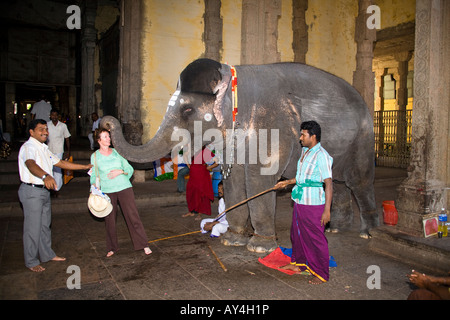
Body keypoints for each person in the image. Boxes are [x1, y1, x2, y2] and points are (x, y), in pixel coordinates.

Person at [18, 119, 92, 272]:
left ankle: (47, 255)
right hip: (32, 191)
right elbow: (31, 164)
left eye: (46, 129)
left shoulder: (44, 148)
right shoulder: (29, 147)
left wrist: (84, 167)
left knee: (45, 225)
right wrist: (46, 176)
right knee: (32, 228)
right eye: (41, 129)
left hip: (43, 192)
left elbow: (61, 163)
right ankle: (31, 261)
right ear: (31, 132)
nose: (45, 132)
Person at [274, 120, 333, 284]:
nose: (300, 138)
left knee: (315, 238)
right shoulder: (305, 151)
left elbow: (328, 183)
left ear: (313, 136)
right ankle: (299, 264)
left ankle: (321, 273)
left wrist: (327, 210)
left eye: (303, 135)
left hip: (314, 204)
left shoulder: (322, 156)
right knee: (297, 233)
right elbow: (303, 177)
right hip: (300, 200)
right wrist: (287, 182)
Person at [91, 128, 151, 257]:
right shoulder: (95, 156)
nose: (109, 139)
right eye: (105, 137)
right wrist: (94, 189)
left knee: (132, 216)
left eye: (109, 136)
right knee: (109, 219)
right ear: (98, 140)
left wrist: (121, 171)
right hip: (107, 190)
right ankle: (112, 247)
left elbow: (129, 168)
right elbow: (94, 175)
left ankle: (143, 244)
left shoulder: (117, 152)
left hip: (124, 187)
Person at [182, 146, 218, 220]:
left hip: (201, 175)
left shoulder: (205, 151)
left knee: (201, 193)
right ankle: (192, 211)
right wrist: (189, 165)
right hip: (193, 174)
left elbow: (217, 161)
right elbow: (185, 155)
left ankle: (199, 213)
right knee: (191, 191)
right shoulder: (192, 149)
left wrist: (208, 168)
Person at [47, 109, 71, 194]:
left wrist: (68, 152)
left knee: (57, 169)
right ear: (50, 115)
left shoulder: (63, 126)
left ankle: (56, 188)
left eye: (56, 115)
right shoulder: (47, 125)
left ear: (58, 116)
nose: (54, 117)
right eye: (52, 115)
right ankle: (50, 185)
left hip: (59, 150)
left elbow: (67, 138)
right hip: (49, 150)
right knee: (49, 168)